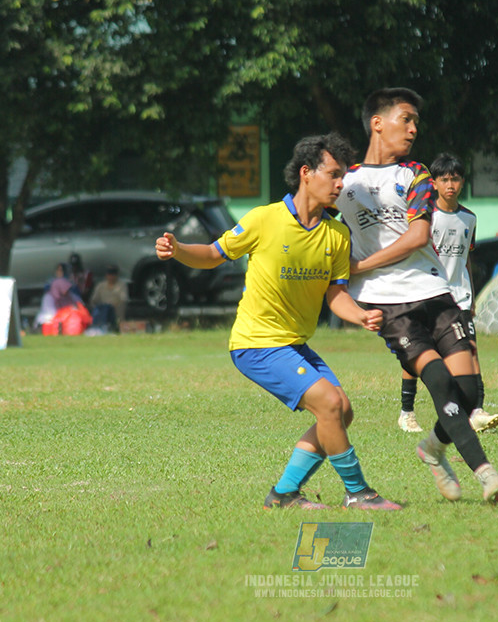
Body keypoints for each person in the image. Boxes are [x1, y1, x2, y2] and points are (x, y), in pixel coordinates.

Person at [154, 132, 401, 511]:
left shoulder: (336, 234)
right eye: (334, 174)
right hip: (256, 343)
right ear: (306, 172)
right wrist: (178, 250)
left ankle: (284, 494)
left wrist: (361, 315)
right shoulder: (264, 219)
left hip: (293, 344)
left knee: (341, 411)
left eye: (343, 175)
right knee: (331, 403)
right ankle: (358, 493)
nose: (340, 184)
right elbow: (213, 254)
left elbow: (335, 295)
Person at [336, 87, 498, 503]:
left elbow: (417, 236)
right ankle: (487, 476)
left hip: (435, 291)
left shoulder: (415, 175)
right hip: (389, 304)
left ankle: (431, 447)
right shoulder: (345, 183)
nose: (413, 129)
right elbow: (316, 227)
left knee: (467, 393)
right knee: (438, 383)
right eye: (405, 119)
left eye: (416, 122)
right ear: (378, 122)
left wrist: (358, 267)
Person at [396, 152, 498, 435]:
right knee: (416, 354)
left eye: (454, 179)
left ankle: (476, 411)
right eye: (444, 179)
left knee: (471, 351)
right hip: (426, 294)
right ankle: (407, 411)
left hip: (460, 297)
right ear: (434, 183)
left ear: (462, 182)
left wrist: (472, 295)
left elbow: (466, 258)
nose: (450, 185)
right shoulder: (425, 217)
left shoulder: (469, 218)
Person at [89, 264, 128, 332]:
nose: (111, 276)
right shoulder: (101, 286)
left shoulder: (122, 285)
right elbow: (93, 300)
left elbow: (123, 299)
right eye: (109, 274)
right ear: (106, 275)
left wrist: (113, 306)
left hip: (116, 311)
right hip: (103, 311)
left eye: (113, 274)